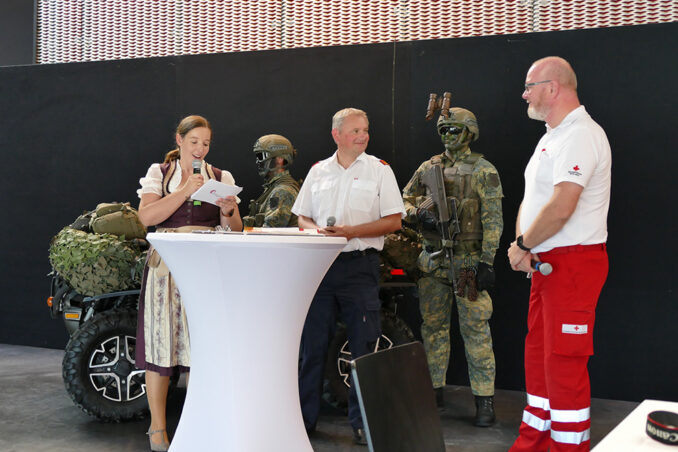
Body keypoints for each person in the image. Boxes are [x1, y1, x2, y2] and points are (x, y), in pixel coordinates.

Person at [507, 57, 611, 452]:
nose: (524, 94)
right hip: (546, 264)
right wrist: (524, 245)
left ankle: (568, 447)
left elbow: (563, 205)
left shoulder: (581, 135)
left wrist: (522, 245)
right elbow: (533, 200)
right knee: (539, 358)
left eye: (529, 86)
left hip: (573, 265)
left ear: (553, 88)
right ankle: (533, 443)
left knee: (564, 362)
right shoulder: (552, 136)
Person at [292, 107, 405, 445]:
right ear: (336, 135)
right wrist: (317, 232)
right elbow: (302, 217)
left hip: (359, 266)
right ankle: (304, 421)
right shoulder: (318, 171)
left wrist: (351, 232)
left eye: (365, 130)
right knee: (312, 348)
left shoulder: (380, 170)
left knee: (363, 348)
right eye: (355, 130)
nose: (363, 136)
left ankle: (363, 424)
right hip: (320, 266)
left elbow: (394, 221)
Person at [135, 115, 243, 451]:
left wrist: (228, 210)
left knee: (202, 346)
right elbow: (146, 217)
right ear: (179, 140)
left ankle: (198, 422)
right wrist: (184, 191)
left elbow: (235, 229)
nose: (200, 148)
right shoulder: (160, 173)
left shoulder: (221, 177)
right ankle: (157, 428)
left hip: (205, 266)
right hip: (166, 267)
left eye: (205, 143)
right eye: (194, 141)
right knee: (160, 344)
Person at [402, 106, 503, 427]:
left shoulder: (483, 170)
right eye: (443, 130)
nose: (448, 135)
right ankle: (433, 393)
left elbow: (493, 220)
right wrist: (419, 213)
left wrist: (487, 261)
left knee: (476, 332)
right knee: (432, 330)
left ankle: (484, 400)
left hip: (467, 265)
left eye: (454, 129)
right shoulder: (428, 167)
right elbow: (402, 200)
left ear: (470, 133)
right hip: (433, 261)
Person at [242, 134, 300, 228]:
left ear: (280, 159)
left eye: (261, 156)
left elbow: (270, 230)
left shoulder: (282, 191)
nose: (258, 161)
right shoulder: (274, 187)